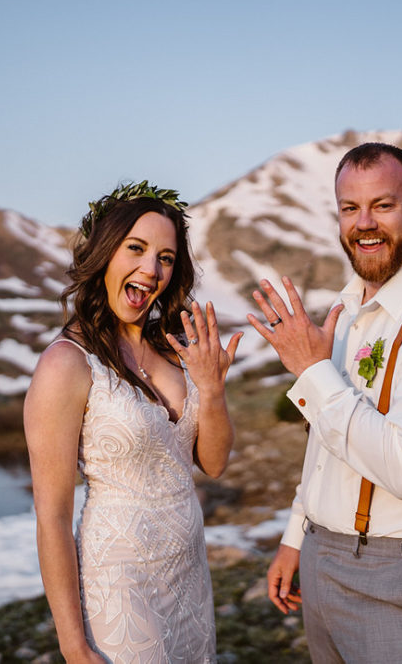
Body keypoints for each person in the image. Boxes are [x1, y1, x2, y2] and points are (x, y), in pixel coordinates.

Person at [247, 143, 402, 663]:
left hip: (401, 575)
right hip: (322, 558)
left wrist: (313, 371)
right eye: (349, 208)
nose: (365, 224)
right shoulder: (348, 304)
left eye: (383, 205)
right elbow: (327, 440)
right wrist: (297, 535)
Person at [24, 181, 243, 663]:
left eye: (166, 257)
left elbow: (214, 461)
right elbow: (53, 517)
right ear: (104, 253)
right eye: (137, 249)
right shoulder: (66, 364)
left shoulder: (173, 350)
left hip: (188, 575)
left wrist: (211, 388)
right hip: (119, 584)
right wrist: (72, 643)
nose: (152, 269)